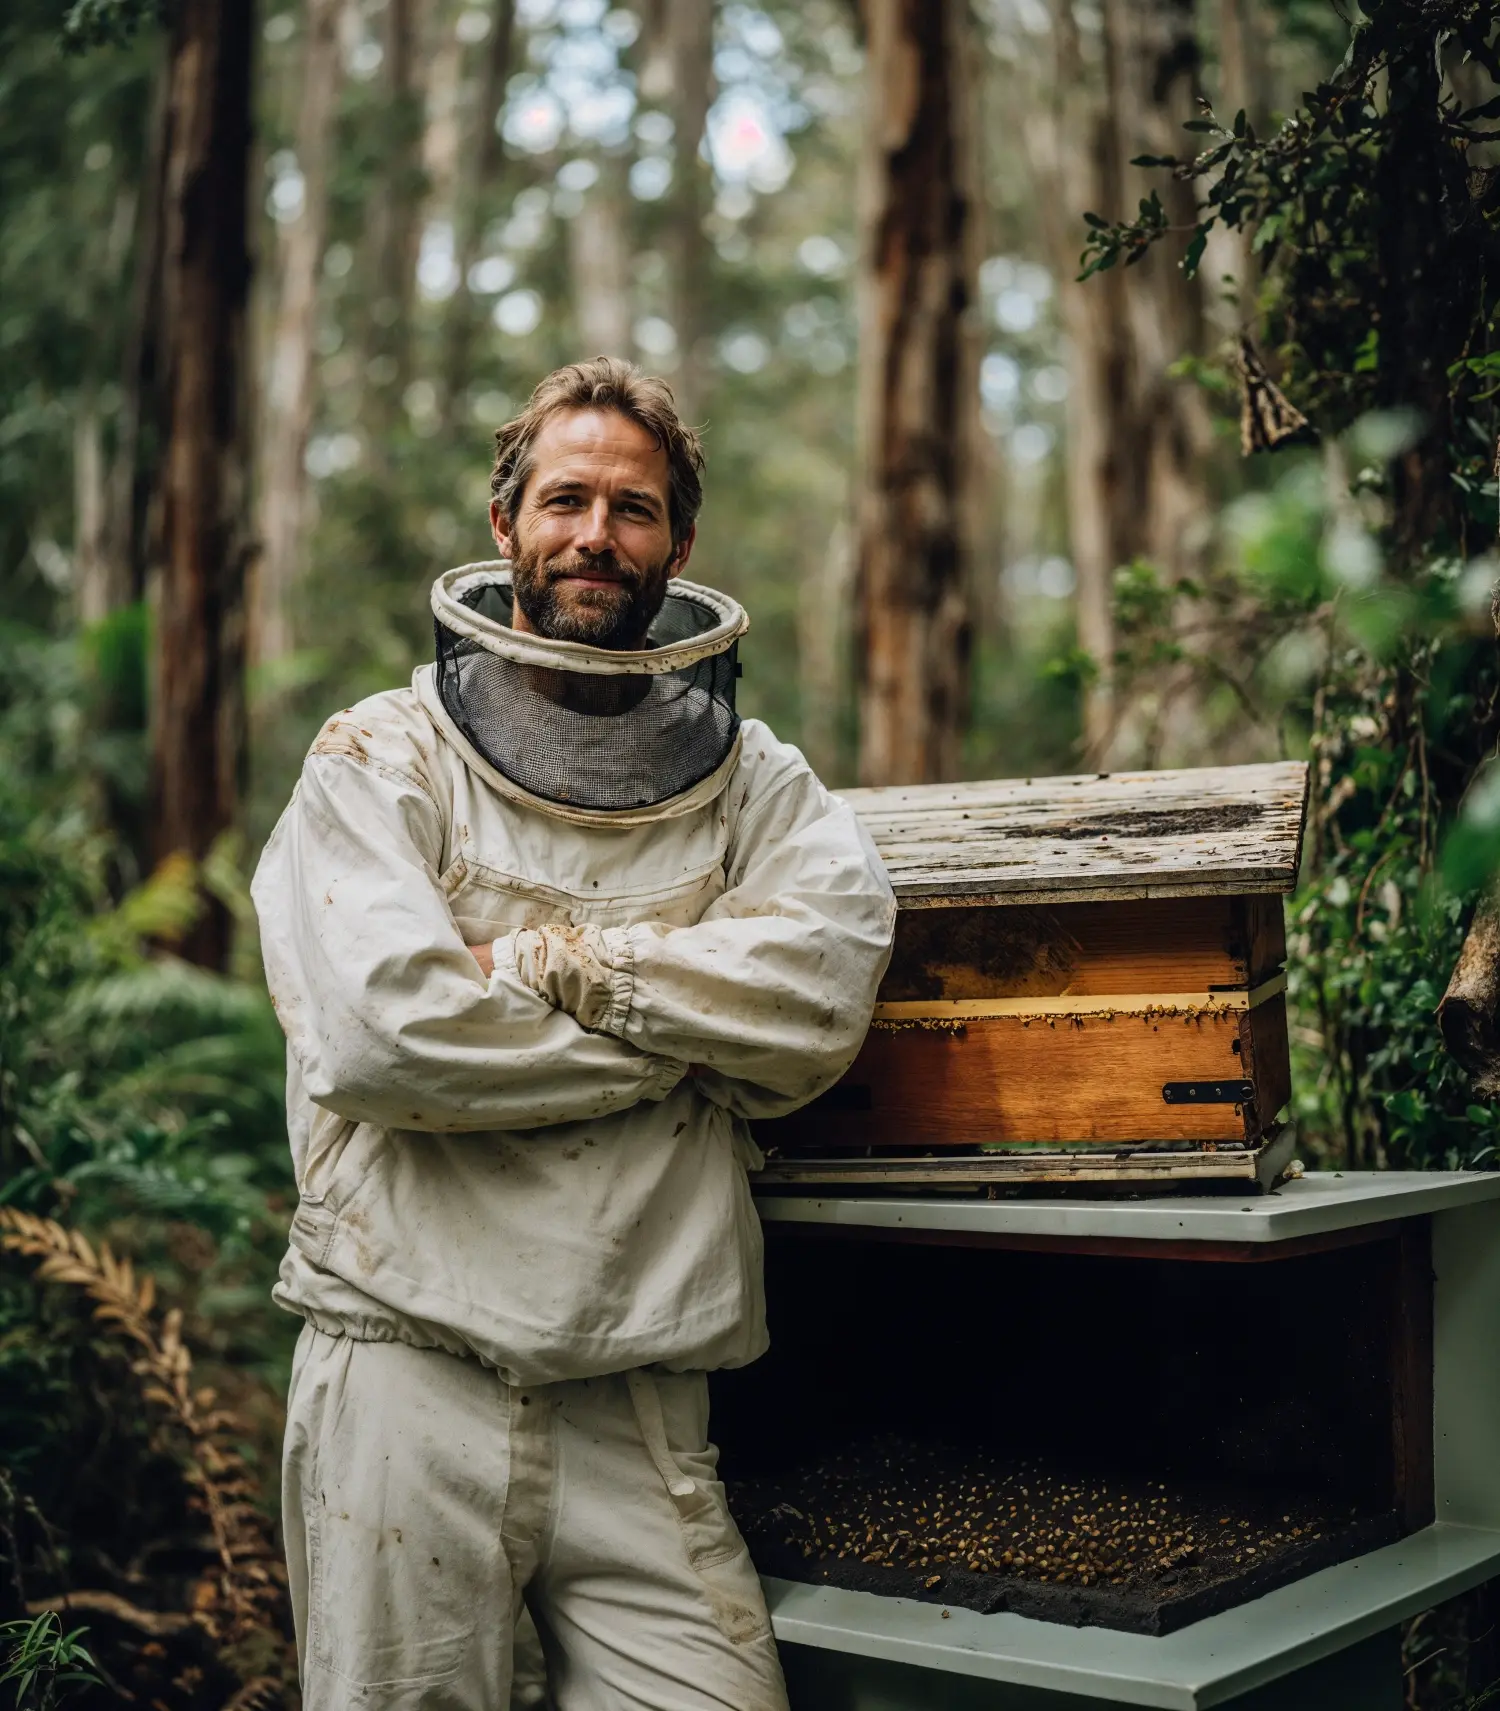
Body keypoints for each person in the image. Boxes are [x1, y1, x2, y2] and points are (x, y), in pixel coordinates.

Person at [252, 357, 896, 1711]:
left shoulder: (756, 784)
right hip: (406, 1382)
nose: (596, 534)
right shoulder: (379, 759)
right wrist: (700, 1053)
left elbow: (824, 994)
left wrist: (557, 964)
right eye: (565, 500)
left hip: (643, 1407)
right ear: (507, 526)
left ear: (680, 545)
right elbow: (387, 1037)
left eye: (634, 508)